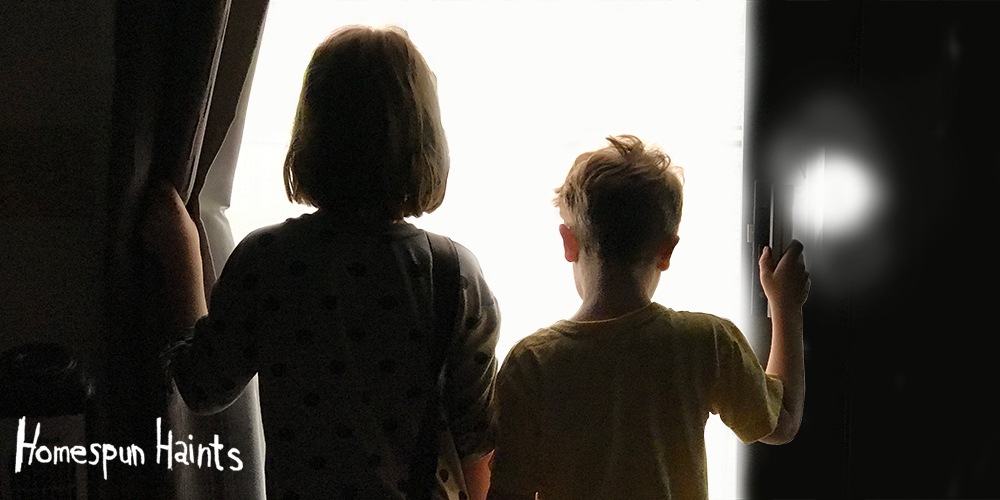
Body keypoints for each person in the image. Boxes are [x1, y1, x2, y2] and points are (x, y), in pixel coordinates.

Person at [144, 25, 499, 500]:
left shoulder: (269, 260)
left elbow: (203, 387)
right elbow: (476, 444)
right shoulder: (455, 274)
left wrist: (182, 255)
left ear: (312, 130)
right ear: (426, 138)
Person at [486, 135, 810, 500]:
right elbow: (782, 421)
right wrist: (785, 306)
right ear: (667, 250)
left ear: (568, 242)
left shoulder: (531, 363)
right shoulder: (705, 342)